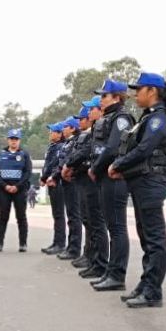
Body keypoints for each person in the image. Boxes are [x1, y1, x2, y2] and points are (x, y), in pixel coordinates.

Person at [110, 72, 166, 308]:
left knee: (154, 238)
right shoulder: (147, 118)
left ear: (152, 91)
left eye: (139, 89)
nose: (135, 94)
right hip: (141, 181)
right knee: (146, 236)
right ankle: (146, 284)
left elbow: (145, 148)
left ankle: (153, 291)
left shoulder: (158, 119)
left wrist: (118, 164)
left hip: (151, 181)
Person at [89, 79, 135, 292]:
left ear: (117, 97)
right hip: (103, 176)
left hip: (114, 177)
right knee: (111, 226)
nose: (101, 99)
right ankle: (111, 271)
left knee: (117, 227)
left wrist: (95, 167)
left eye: (105, 95)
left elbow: (112, 148)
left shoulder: (121, 118)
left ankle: (117, 275)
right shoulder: (109, 118)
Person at [77, 97, 110, 279]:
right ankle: (94, 260)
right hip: (89, 178)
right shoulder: (95, 130)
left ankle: (100, 263)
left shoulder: (103, 127)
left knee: (98, 223)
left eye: (92, 110)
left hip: (96, 179)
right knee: (90, 221)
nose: (89, 114)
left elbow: (100, 153)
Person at [0, 128, 33, 252]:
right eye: (11, 139)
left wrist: (17, 186)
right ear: (8, 140)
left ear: (19, 140)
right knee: (3, 217)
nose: (14, 141)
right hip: (4, 190)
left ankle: (23, 244)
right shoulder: (0, 154)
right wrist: (5, 186)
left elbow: (27, 172)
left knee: (21, 217)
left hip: (19, 190)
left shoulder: (24, 155)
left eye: (16, 139)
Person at [55, 116, 83, 260]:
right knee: (71, 216)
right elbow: (61, 162)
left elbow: (70, 160)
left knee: (74, 216)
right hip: (65, 180)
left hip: (72, 181)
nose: (63, 129)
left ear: (72, 128)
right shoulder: (67, 143)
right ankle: (71, 246)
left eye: (65, 126)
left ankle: (74, 248)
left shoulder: (76, 141)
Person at [40, 121, 66, 255]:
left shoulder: (60, 147)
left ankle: (60, 244)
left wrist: (45, 177)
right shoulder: (53, 146)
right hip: (51, 182)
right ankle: (56, 242)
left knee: (59, 214)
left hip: (57, 183)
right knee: (56, 215)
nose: (50, 133)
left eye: (53, 131)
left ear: (60, 133)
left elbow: (53, 164)